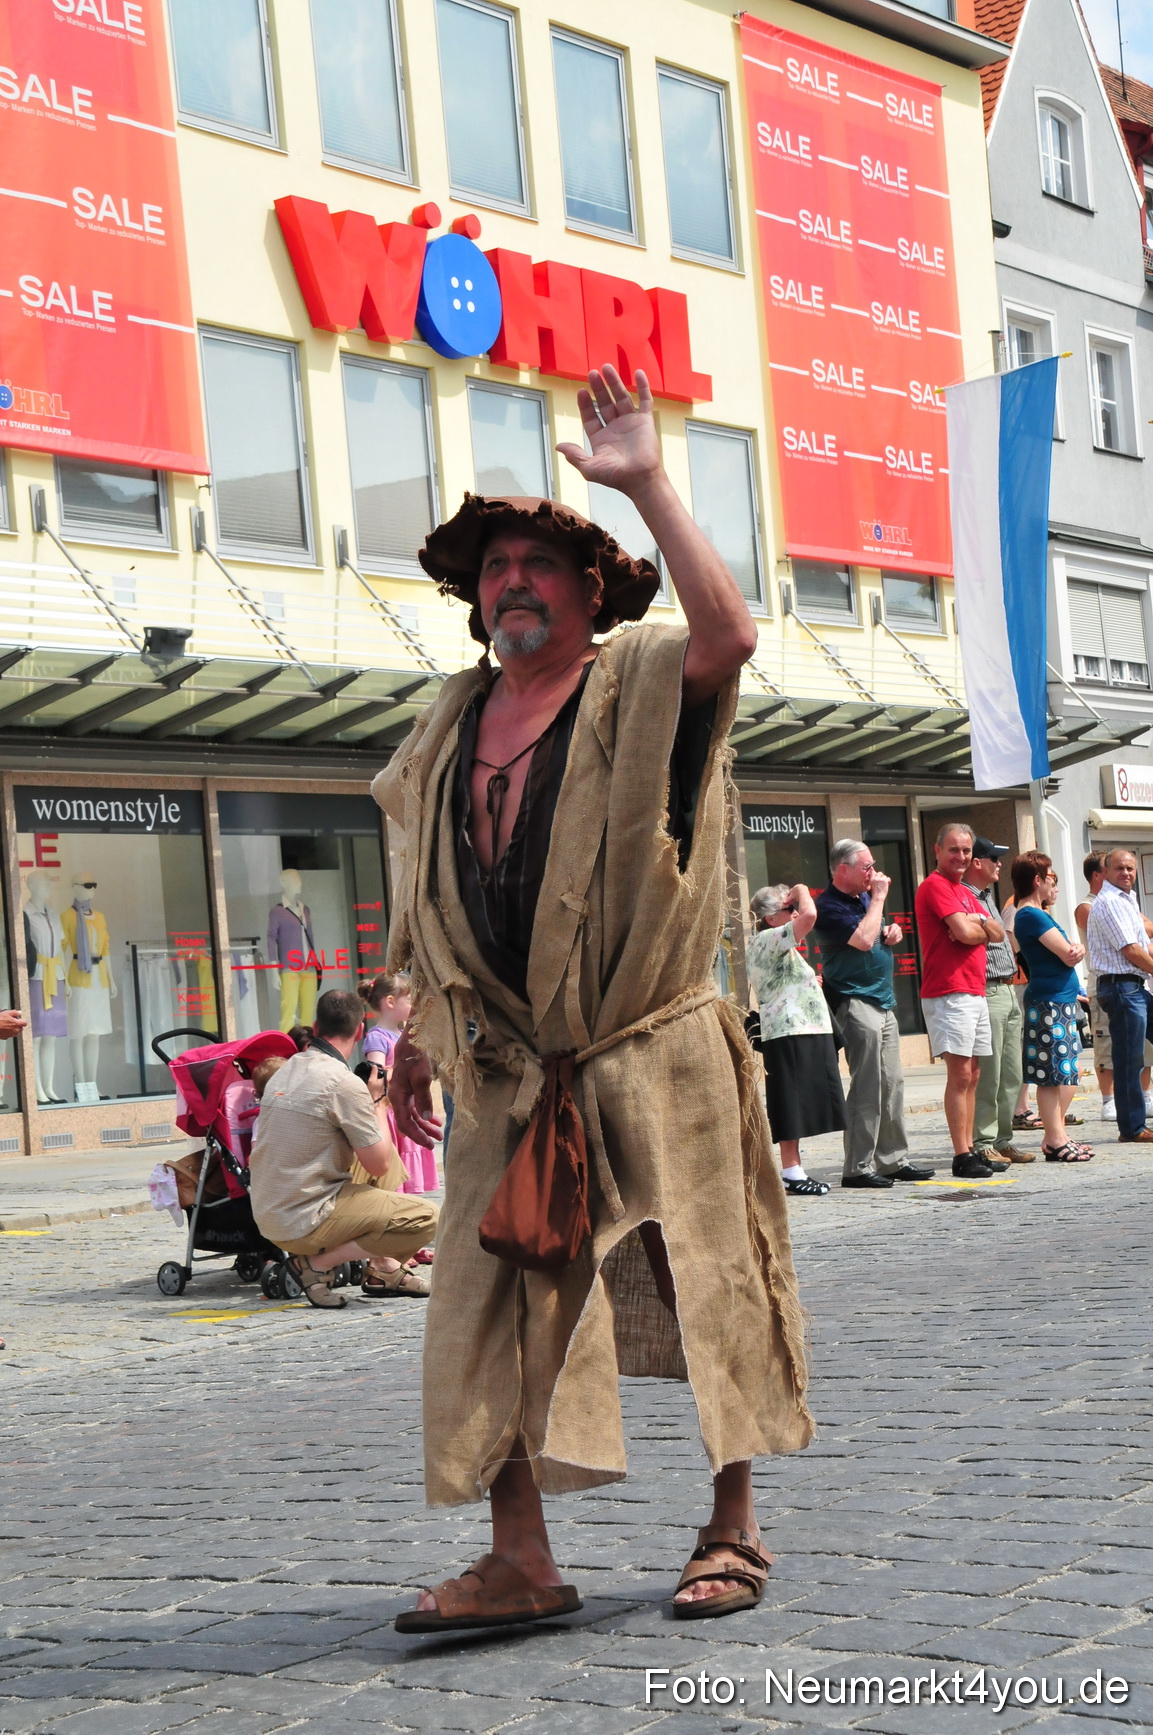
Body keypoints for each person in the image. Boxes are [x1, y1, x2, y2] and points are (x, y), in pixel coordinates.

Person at [375, 363, 811, 1632]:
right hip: (508, 1065)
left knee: (704, 1281)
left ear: (591, 591)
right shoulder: (446, 725)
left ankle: (731, 1523)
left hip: (651, 1046)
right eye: (493, 566)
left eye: (538, 563)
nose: (510, 578)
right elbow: (436, 894)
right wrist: (418, 1021)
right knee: (489, 1290)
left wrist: (646, 480)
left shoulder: (639, 685)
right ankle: (522, 1557)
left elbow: (730, 636)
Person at [249, 989, 439, 1307]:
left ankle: (384, 1266)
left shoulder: (286, 1071)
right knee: (428, 1217)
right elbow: (379, 1164)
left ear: (315, 1025)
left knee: (375, 1156)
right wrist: (378, 1101)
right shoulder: (342, 1082)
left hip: (269, 1213)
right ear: (360, 1030)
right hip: (304, 1220)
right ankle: (315, 1266)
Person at [812, 840, 930, 1188]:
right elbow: (862, 940)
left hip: (883, 999)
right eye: (866, 867)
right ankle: (858, 1166)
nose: (874, 874)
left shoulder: (862, 897)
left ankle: (893, 1159)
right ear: (842, 869)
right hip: (854, 1000)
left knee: (892, 1083)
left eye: (873, 865)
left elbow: (875, 932)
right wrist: (878, 900)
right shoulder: (828, 906)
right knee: (867, 1086)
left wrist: (890, 932)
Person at [914, 823, 1008, 1179]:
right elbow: (970, 933)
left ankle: (973, 1149)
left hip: (974, 990)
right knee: (960, 1074)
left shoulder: (967, 893)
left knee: (975, 1073)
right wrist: (975, 927)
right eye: (954, 849)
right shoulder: (935, 886)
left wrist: (976, 923)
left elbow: (996, 933)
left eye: (966, 851)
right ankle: (961, 1154)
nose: (961, 857)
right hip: (948, 991)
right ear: (937, 851)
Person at [745, 882, 842, 1196]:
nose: (795, 913)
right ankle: (791, 1172)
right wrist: (801, 889)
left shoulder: (774, 942)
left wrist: (809, 982)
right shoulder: (767, 938)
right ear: (772, 918)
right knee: (791, 1102)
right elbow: (811, 916)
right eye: (789, 910)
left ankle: (795, 1170)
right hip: (788, 1032)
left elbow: (780, 983)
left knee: (800, 1102)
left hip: (800, 1029)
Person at [1011, 852, 1091, 1163]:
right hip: (1049, 1001)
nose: (1051, 882)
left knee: (1066, 1071)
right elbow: (1067, 953)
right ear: (1037, 880)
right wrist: (1076, 949)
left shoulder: (1039, 913)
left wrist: (1076, 948)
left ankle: (1055, 1135)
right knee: (1051, 1073)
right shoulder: (1030, 915)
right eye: (1049, 877)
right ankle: (1055, 1138)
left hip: (1060, 999)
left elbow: (1071, 949)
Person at [963, 837, 1032, 1166]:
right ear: (977, 863)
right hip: (987, 989)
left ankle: (1004, 1140)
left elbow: (998, 936)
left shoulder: (987, 897)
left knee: (1012, 1073)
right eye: (994, 858)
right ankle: (984, 1141)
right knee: (988, 1074)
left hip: (1007, 988)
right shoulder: (965, 896)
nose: (999, 864)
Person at [1075, 852, 1153, 1122]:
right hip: (1120, 987)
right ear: (1105, 872)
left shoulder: (1127, 899)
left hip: (1134, 986)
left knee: (1134, 1056)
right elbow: (1130, 949)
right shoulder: (1108, 902)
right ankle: (1132, 1125)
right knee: (1129, 1059)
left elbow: (1143, 945)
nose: (1127, 873)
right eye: (1119, 868)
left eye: (1130, 868)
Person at [359, 972, 439, 1193]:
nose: (415, 1005)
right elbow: (376, 1076)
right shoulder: (377, 1037)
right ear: (391, 1001)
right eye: (410, 999)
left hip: (407, 1108)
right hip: (393, 1114)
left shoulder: (404, 1033)